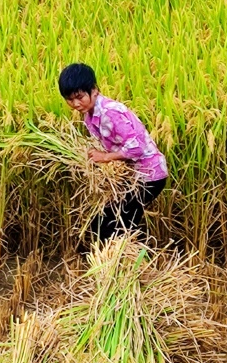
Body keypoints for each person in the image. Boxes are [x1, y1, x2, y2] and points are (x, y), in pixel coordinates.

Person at [58, 62, 168, 241]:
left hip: (149, 175)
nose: (75, 103)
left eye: (79, 97)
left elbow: (136, 147)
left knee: (113, 226)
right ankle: (124, 262)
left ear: (94, 90)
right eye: (70, 99)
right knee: (104, 223)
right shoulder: (90, 115)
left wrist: (105, 157)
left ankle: (127, 263)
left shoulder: (110, 112)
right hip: (134, 176)